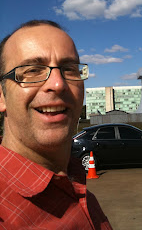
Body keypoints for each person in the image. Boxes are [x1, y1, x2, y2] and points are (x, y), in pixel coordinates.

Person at [0, 20, 112, 229]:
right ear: (1, 96)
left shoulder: (83, 193)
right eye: (32, 70)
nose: (58, 84)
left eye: (69, 69)